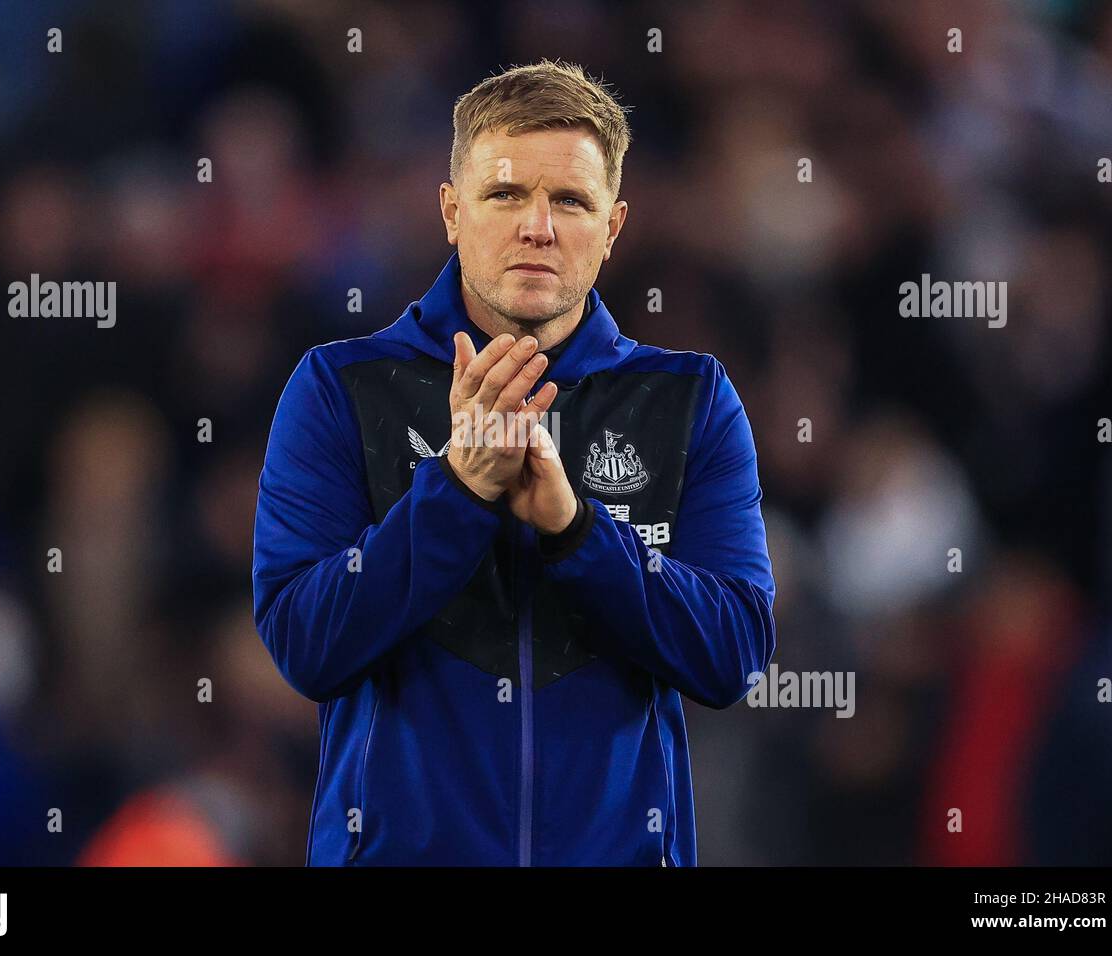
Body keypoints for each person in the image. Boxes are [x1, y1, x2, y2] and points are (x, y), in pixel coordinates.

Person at [252, 59, 776, 866]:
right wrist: (457, 493)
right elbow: (306, 644)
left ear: (613, 227)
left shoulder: (690, 398)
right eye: (505, 194)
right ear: (452, 211)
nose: (539, 226)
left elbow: (733, 655)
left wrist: (576, 533)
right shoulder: (339, 387)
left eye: (570, 200)